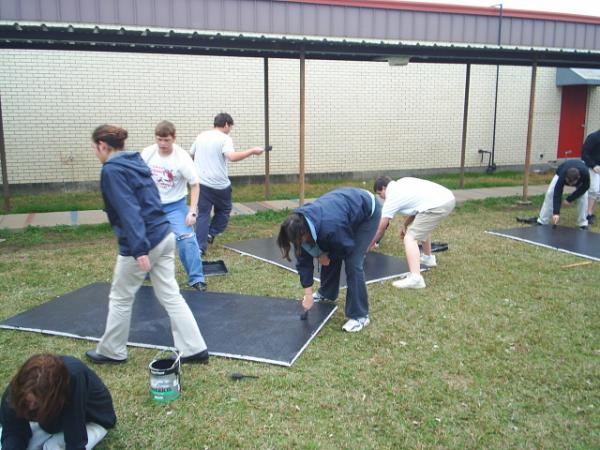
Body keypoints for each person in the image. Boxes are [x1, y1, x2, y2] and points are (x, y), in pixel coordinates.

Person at [86, 124, 209, 365]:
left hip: (144, 242)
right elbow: (151, 199)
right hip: (164, 235)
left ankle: (112, 351)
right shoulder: (135, 159)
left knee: (121, 297)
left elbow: (128, 210)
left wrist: (139, 249)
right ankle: (194, 349)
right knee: (171, 295)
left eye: (95, 148)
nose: (95, 152)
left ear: (102, 146)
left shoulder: (112, 170)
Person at [277, 188, 381, 333]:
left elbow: (346, 247)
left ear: (304, 232)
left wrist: (322, 255)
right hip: (344, 210)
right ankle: (327, 292)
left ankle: (360, 316)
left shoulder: (331, 226)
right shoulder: (297, 225)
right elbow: (303, 261)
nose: (297, 243)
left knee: (353, 262)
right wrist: (308, 294)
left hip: (367, 211)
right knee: (327, 249)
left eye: (299, 240)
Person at [141, 121, 206, 291]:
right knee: (145, 239)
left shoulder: (182, 158)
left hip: (175, 206)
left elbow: (195, 185)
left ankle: (196, 278)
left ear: (174, 138)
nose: (162, 144)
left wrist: (192, 211)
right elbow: (138, 177)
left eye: (166, 140)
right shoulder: (147, 153)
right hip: (151, 205)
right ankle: (147, 271)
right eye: (159, 140)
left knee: (186, 238)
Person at [0, 353, 116, 450]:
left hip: (89, 419)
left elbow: (75, 440)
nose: (30, 407)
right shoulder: (17, 389)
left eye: (36, 403)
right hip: (49, 421)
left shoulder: (73, 380)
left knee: (53, 447)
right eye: (27, 401)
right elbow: (12, 429)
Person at [189, 113, 264, 255]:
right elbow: (232, 157)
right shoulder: (225, 138)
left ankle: (200, 248)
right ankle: (212, 232)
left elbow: (191, 155)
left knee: (203, 214)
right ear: (226, 125)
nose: (230, 130)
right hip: (220, 185)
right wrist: (253, 151)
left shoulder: (201, 136)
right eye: (230, 127)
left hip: (201, 184)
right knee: (224, 211)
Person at [369, 176, 455, 290]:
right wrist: (405, 224)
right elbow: (418, 208)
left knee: (410, 238)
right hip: (446, 198)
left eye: (380, 194)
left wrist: (368, 246)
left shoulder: (392, 196)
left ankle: (416, 278)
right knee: (422, 228)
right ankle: (428, 258)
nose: (381, 197)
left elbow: (381, 227)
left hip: (437, 205)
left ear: (384, 188)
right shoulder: (402, 183)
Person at [535, 159, 590, 228]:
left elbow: (585, 188)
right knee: (550, 193)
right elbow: (557, 192)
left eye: (572, 183)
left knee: (583, 197)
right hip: (562, 169)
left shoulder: (585, 174)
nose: (569, 184)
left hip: (580, 175)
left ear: (578, 178)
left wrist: (570, 199)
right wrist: (556, 213)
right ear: (565, 177)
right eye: (568, 182)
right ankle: (542, 221)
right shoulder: (562, 175)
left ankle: (583, 223)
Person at [581, 128, 600, 225]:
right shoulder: (593, 137)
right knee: (593, 190)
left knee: (598, 193)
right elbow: (584, 154)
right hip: (592, 167)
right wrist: (593, 165)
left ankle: (591, 212)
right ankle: (587, 214)